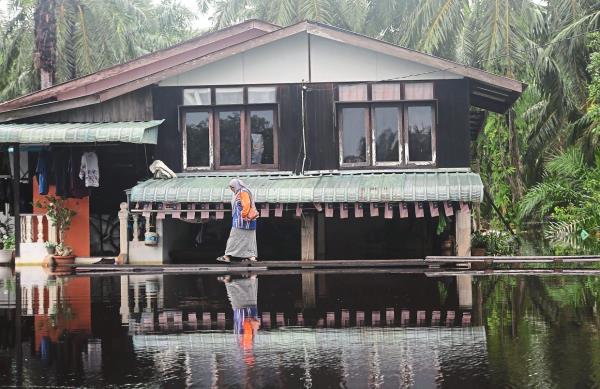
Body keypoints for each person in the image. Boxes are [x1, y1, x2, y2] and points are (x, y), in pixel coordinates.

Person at [217, 178, 258, 263]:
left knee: (234, 238)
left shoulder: (243, 192)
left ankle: (227, 256)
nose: (231, 189)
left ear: (236, 186)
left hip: (241, 222)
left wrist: (243, 216)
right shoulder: (241, 192)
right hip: (249, 222)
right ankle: (251, 257)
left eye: (232, 187)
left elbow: (246, 205)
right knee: (249, 239)